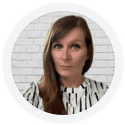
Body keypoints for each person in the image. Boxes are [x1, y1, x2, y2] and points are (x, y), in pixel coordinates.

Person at [22, 15, 109, 115]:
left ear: (88, 52)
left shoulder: (105, 93)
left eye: (75, 47)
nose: (65, 57)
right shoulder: (33, 93)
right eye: (58, 46)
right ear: (49, 51)